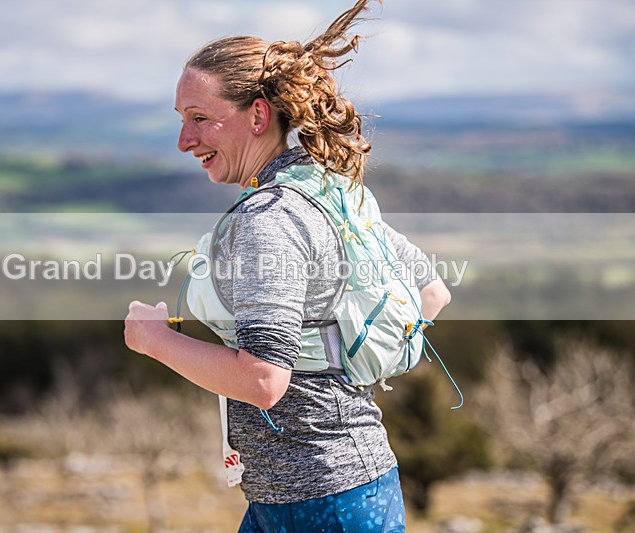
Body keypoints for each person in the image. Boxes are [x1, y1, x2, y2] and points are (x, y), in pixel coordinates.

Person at [124, 1, 451, 531]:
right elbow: (433, 294)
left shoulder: (268, 218)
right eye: (183, 121)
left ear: (257, 115)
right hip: (342, 484)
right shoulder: (330, 191)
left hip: (318, 502)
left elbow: (262, 380)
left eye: (200, 119)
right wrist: (351, 366)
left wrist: (152, 338)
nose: (184, 141)